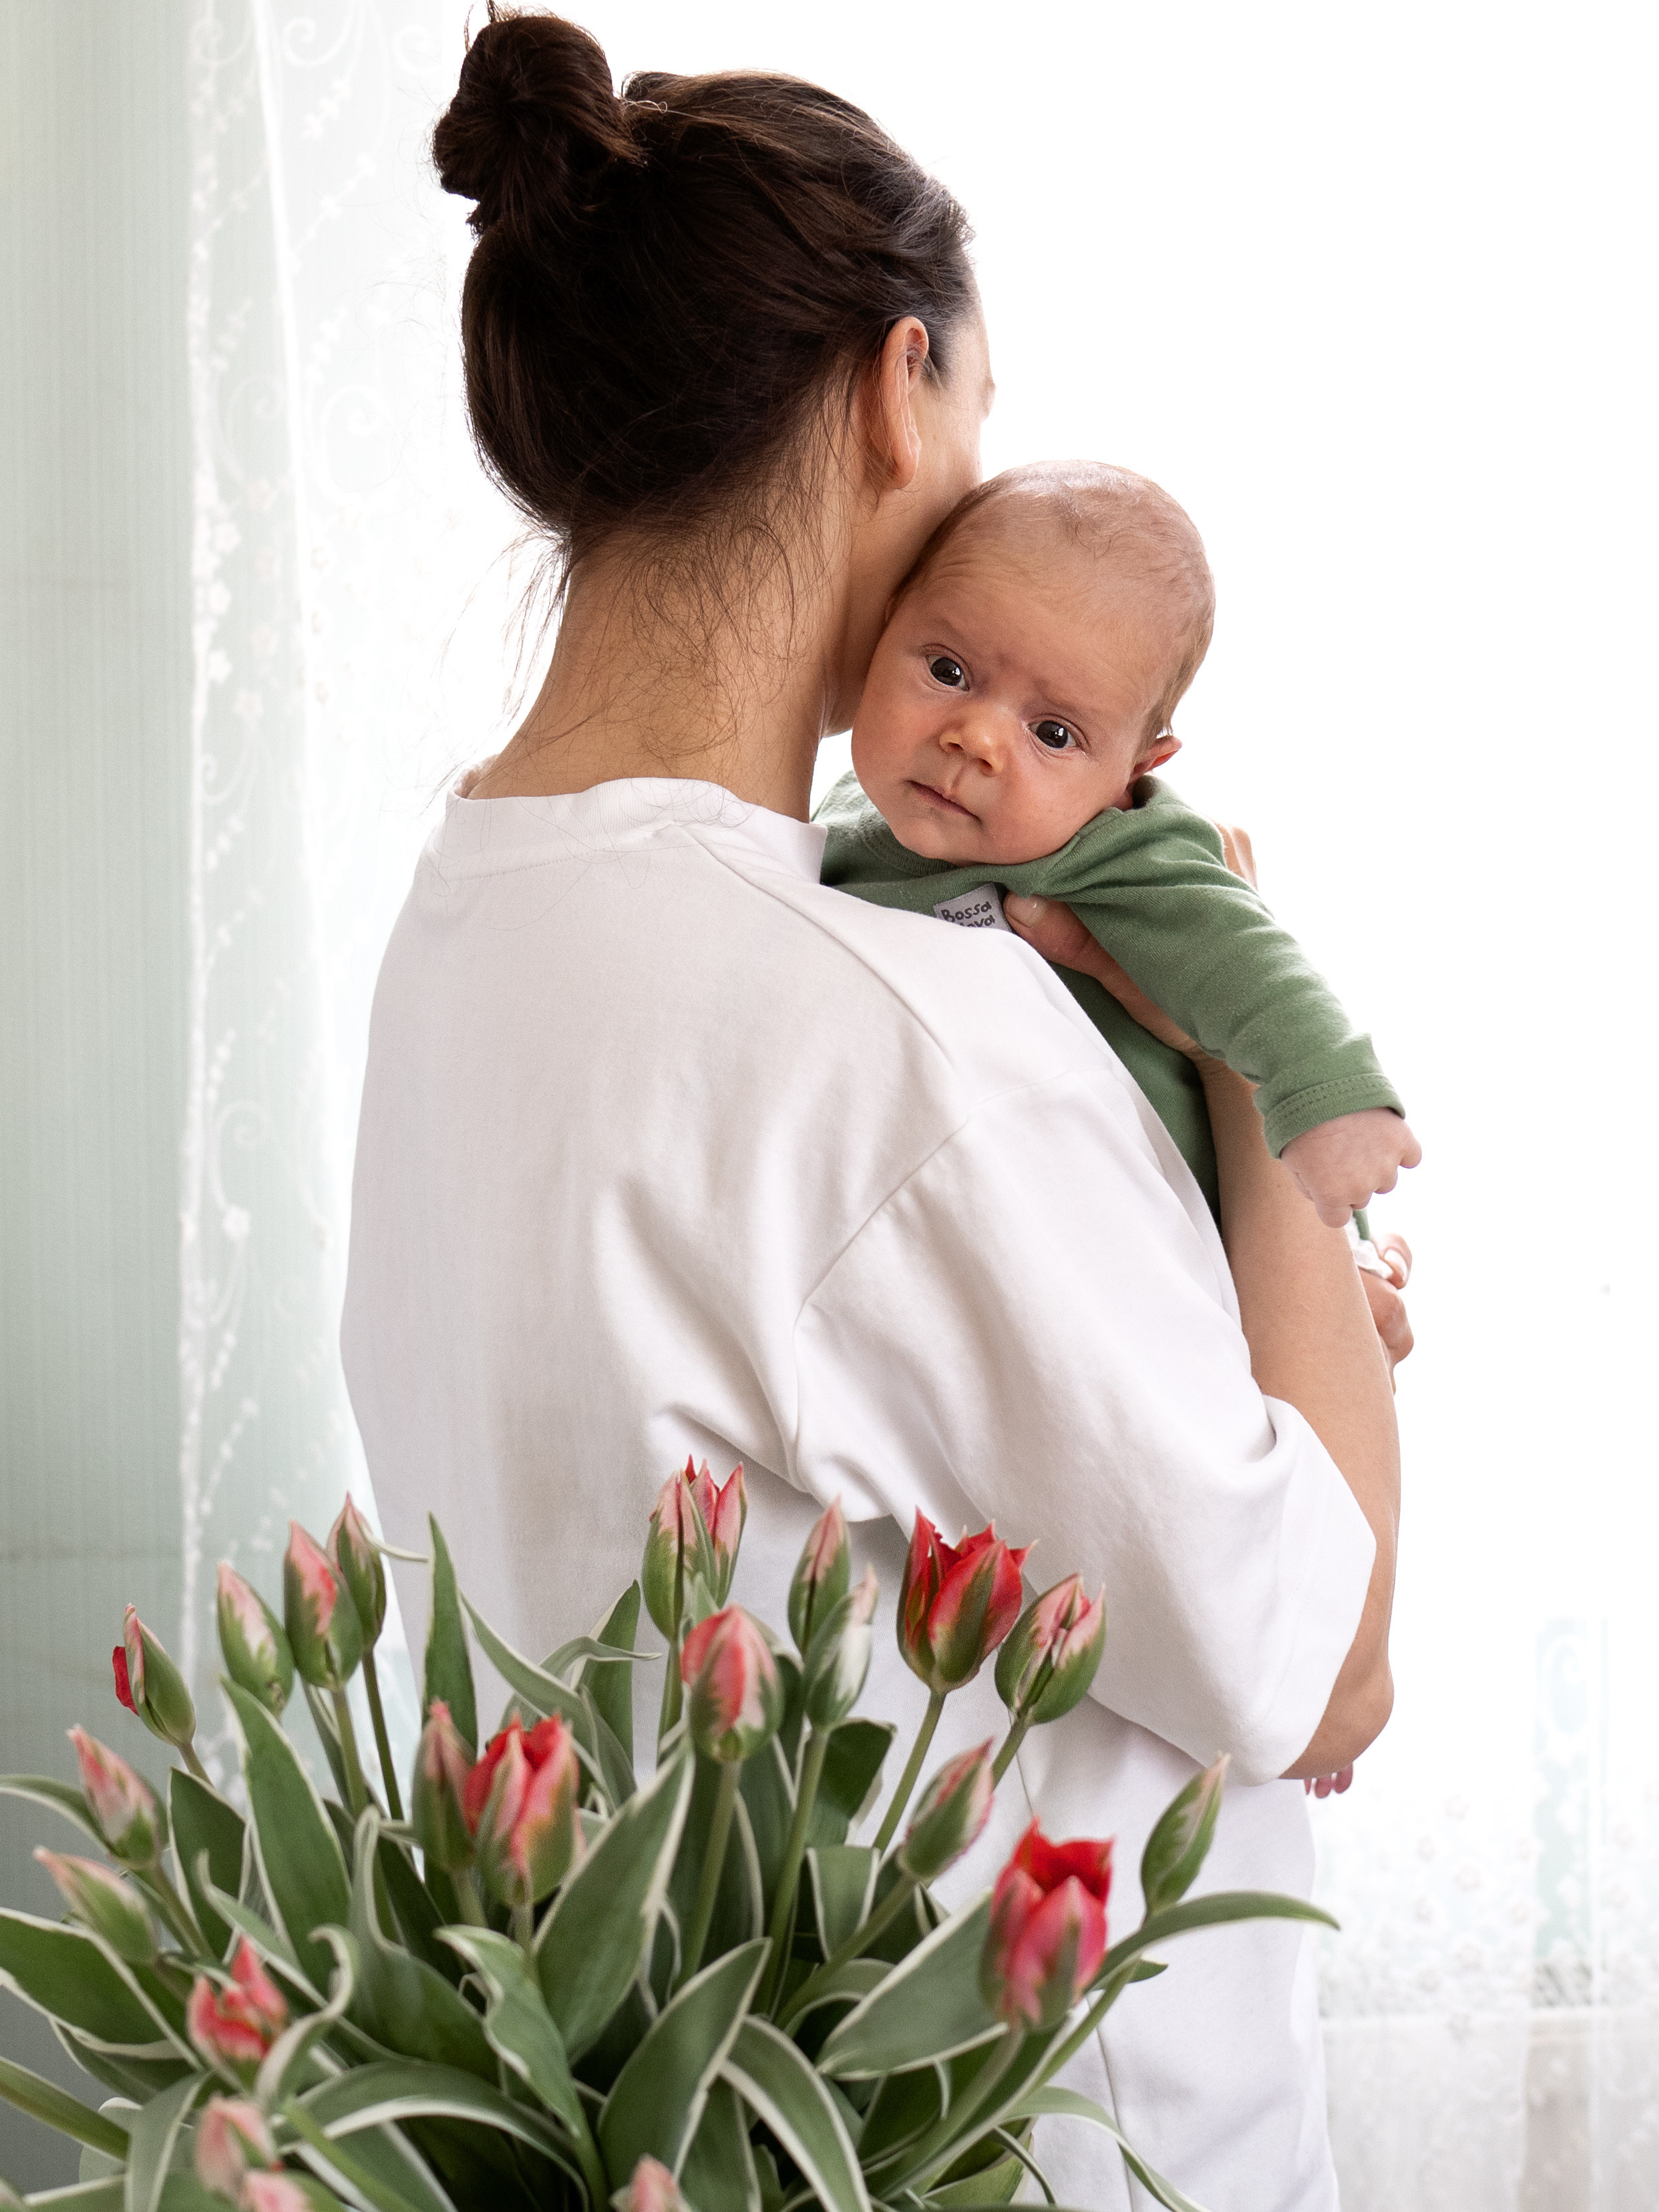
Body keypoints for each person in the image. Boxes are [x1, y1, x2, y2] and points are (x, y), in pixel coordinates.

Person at [341, 11, 1407, 2207]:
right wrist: (1235, 1080)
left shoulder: (464, 928)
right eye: (981, 415)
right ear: (887, 386)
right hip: (1036, 2152)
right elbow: (1324, 1673)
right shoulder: (907, 1032)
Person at [817, 459, 1421, 1228]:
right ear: (885, 621)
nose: (975, 740)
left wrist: (1330, 1100)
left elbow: (1244, 957)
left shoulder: (1117, 850)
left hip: (1194, 1217)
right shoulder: (837, 816)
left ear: (1133, 770)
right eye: (949, 670)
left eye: (1054, 733)